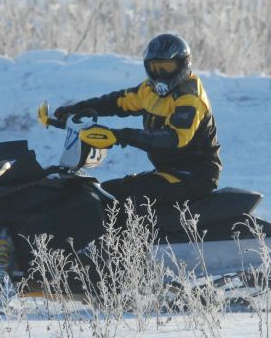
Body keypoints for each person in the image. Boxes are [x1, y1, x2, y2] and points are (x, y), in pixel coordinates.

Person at [53, 33, 222, 212]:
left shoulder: (190, 98)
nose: (160, 74)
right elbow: (118, 101)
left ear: (183, 65)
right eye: (155, 68)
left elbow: (173, 139)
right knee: (105, 193)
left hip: (195, 176)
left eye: (166, 67)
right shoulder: (149, 90)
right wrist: (77, 109)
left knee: (128, 203)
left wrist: (118, 136)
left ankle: (135, 240)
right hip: (169, 172)